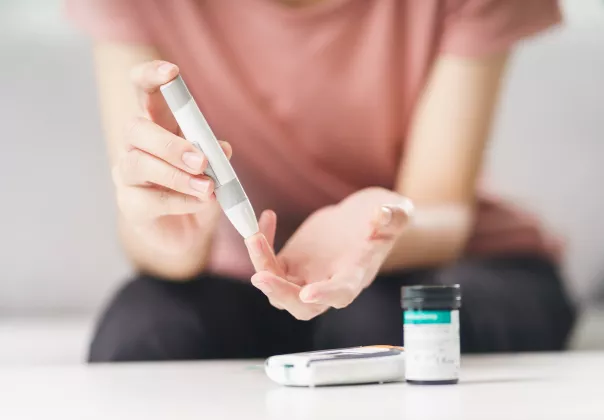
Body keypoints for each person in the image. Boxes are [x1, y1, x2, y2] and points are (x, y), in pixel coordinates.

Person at [66, 0, 576, 362]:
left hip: (440, 262)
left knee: (375, 324)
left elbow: (443, 213)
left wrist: (373, 224)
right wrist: (178, 231)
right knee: (142, 332)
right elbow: (149, 236)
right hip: (242, 274)